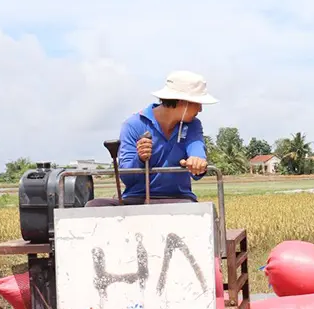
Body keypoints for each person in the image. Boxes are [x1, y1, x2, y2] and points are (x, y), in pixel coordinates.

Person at [87, 70, 217, 207]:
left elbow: (196, 148)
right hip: (136, 198)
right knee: (94, 206)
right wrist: (140, 159)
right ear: (182, 102)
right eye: (198, 103)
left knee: (192, 209)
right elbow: (127, 178)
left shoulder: (193, 125)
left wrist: (197, 162)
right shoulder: (133, 125)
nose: (200, 109)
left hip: (178, 198)